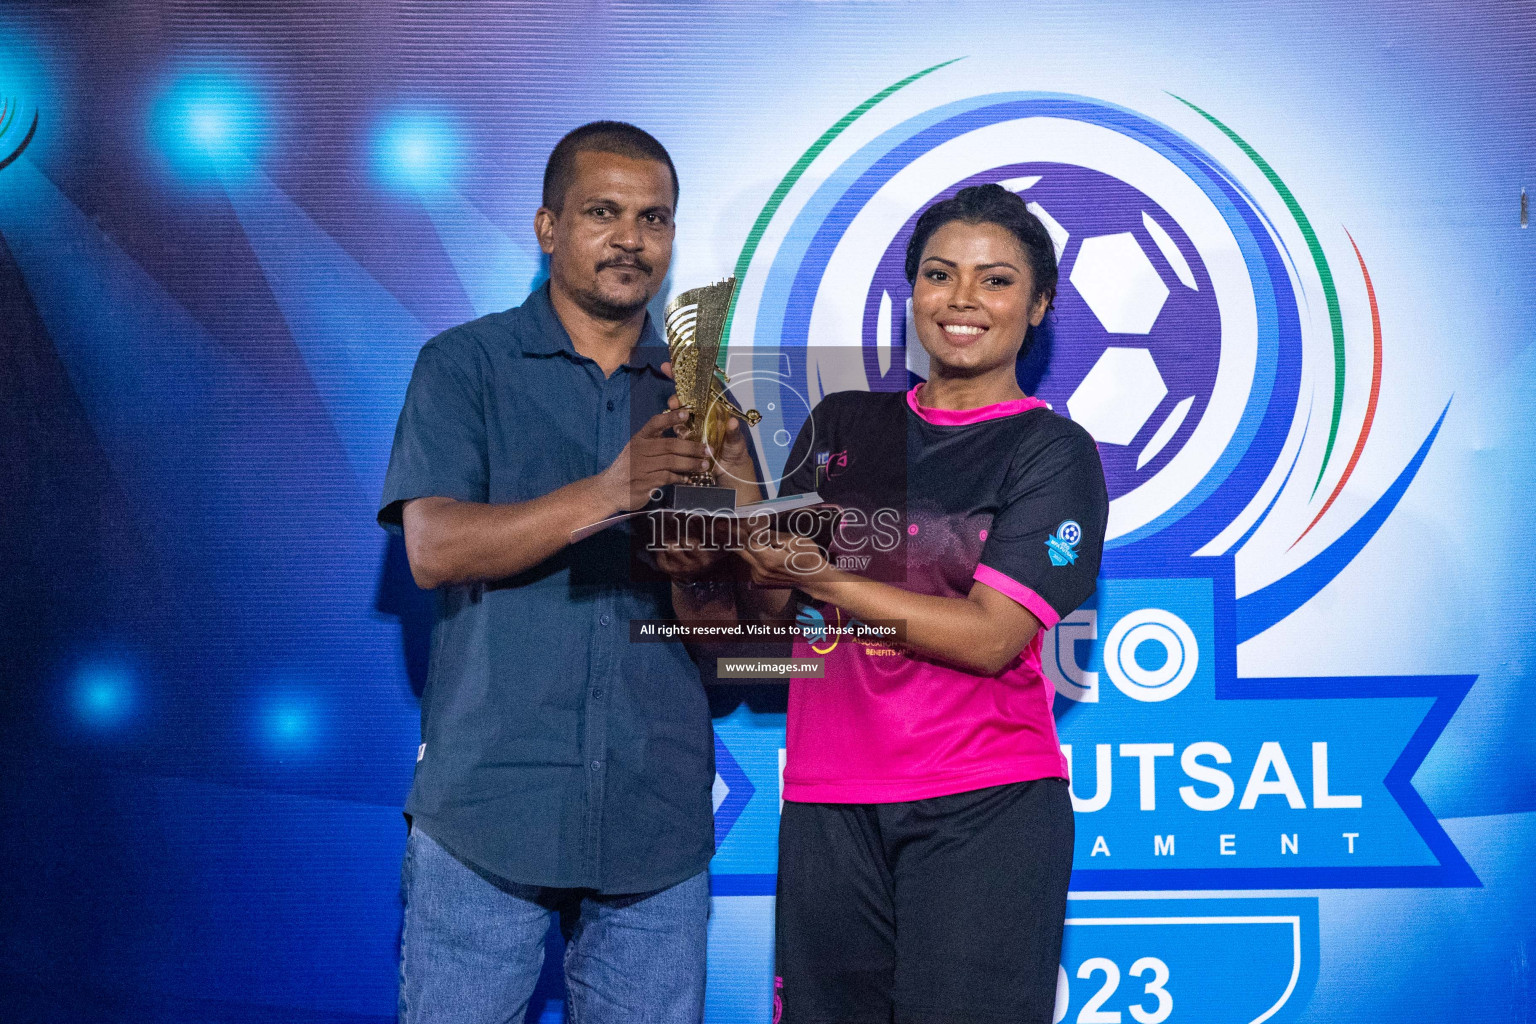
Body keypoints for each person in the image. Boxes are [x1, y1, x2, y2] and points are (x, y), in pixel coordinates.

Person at [379, 121, 754, 1024]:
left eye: (654, 218)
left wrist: (728, 546)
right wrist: (612, 491)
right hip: (488, 809)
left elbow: (736, 642)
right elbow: (433, 550)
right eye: (603, 212)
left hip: (653, 818)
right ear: (547, 227)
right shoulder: (465, 365)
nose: (632, 237)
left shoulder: (703, 403)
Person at [735, 184, 1109, 1022]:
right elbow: (766, 624)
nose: (963, 300)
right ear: (913, 294)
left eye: (997, 279)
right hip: (828, 802)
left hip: (985, 807)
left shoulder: (1050, 450)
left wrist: (819, 576)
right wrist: (736, 506)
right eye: (940, 275)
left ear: (1040, 304)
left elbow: (987, 637)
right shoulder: (841, 426)